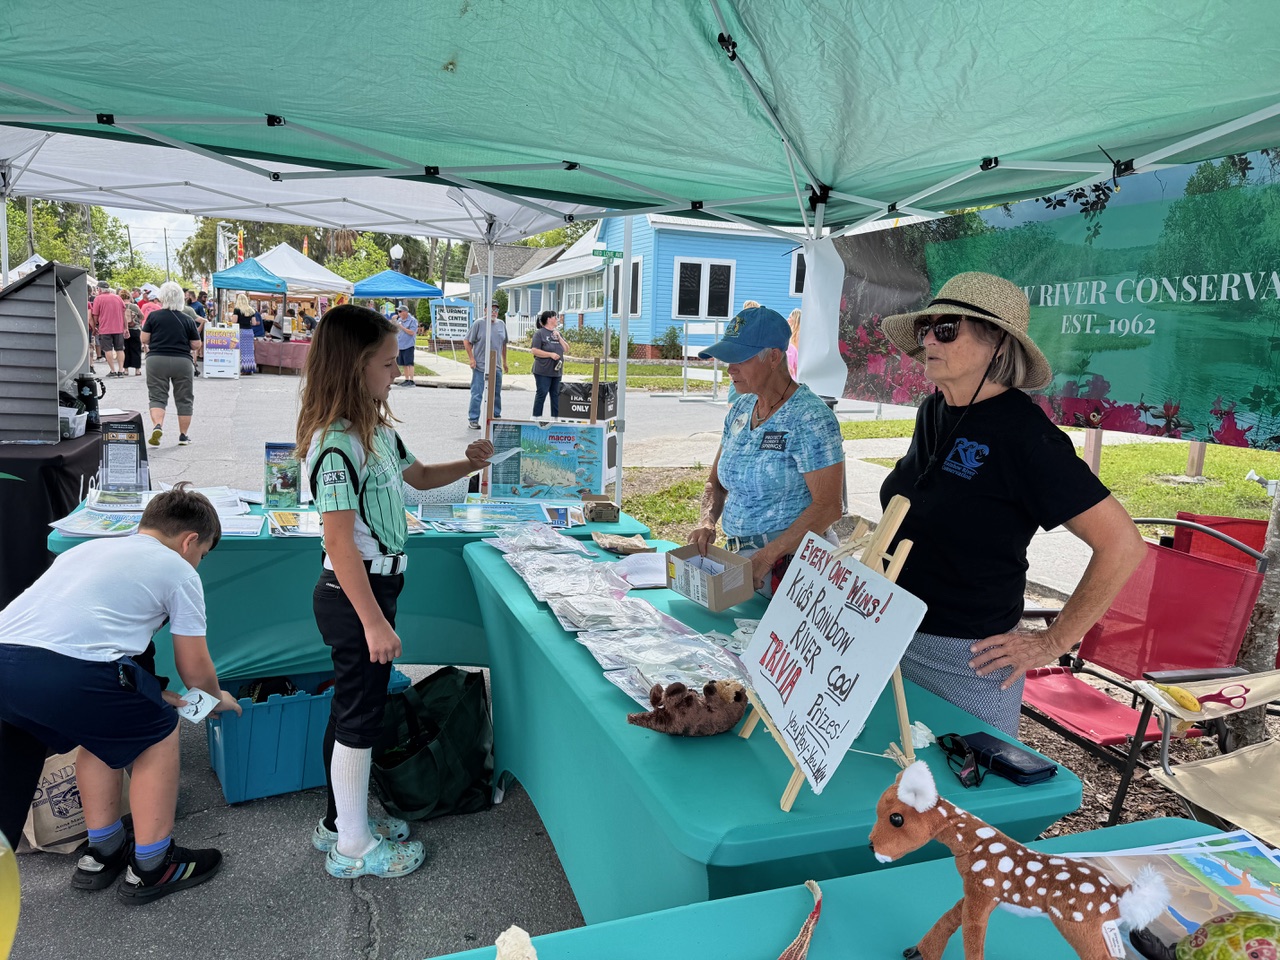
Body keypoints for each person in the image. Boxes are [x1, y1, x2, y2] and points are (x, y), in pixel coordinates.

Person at [878, 272, 1145, 736]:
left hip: (964, 660)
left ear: (998, 344)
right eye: (926, 328)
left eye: (946, 329)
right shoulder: (934, 410)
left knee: (960, 781)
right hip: (890, 632)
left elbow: (1123, 545)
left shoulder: (1028, 438)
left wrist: (1055, 640)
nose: (929, 340)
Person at [293, 304, 493, 880]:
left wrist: (468, 463)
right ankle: (354, 846)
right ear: (353, 367)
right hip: (354, 595)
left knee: (353, 708)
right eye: (386, 363)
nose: (396, 372)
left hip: (376, 588)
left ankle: (339, 821)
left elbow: (420, 478)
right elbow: (339, 542)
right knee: (359, 719)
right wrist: (374, 622)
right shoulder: (336, 445)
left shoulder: (376, 431)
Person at [0, 485, 241, 903]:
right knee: (157, 733)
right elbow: (194, 666)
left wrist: (151, 692)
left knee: (101, 730)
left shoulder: (88, 550)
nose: (198, 563)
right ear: (190, 541)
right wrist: (214, 700)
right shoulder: (179, 570)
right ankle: (153, 865)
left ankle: (103, 852)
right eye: (203, 554)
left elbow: (93, 634)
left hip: (7, 663)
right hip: (72, 672)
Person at [689, 306, 845, 596]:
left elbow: (828, 506)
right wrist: (707, 522)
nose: (730, 368)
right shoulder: (742, 407)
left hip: (791, 567)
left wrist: (766, 557)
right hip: (743, 560)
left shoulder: (810, 417)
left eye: (740, 358)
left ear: (773, 357)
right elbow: (716, 482)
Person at [141, 281, 200, 447]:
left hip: (156, 360)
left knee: (157, 396)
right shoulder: (187, 319)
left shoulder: (154, 316)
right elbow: (196, 345)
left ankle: (157, 426)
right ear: (181, 298)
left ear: (162, 297)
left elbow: (144, 339)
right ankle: (183, 436)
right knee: (184, 399)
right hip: (182, 361)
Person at [464, 301, 508, 429]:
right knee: (477, 394)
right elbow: (467, 341)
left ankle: (496, 417)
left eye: (496, 310)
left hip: (496, 366)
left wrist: (505, 362)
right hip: (480, 366)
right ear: (485, 310)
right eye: (491, 309)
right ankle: (473, 419)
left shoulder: (501, 324)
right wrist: (471, 359)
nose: (494, 312)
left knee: (496, 394)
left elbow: (504, 344)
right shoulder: (479, 323)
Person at [530, 309, 566, 418]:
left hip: (556, 370)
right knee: (542, 393)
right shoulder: (540, 333)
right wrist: (550, 354)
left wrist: (559, 337)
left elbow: (566, 348)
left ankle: (556, 418)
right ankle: (536, 417)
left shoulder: (557, 333)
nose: (557, 319)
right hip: (543, 370)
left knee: (556, 395)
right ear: (549, 319)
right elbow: (534, 350)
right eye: (555, 317)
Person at [89, 280, 128, 378]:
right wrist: (126, 327)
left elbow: (95, 315)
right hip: (118, 328)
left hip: (105, 328)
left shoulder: (98, 299)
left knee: (108, 349)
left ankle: (113, 370)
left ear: (99, 289)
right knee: (120, 349)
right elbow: (124, 314)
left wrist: (95, 327)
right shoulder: (118, 297)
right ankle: (121, 370)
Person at [231, 292, 260, 375]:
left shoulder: (237, 309)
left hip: (241, 331)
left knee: (242, 351)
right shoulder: (251, 310)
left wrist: (230, 319)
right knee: (249, 351)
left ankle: (243, 369)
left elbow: (234, 321)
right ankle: (249, 369)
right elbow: (254, 323)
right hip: (249, 331)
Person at [121, 288, 144, 376]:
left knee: (125, 349)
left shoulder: (120, 306)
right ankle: (137, 370)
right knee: (136, 349)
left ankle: (125, 369)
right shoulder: (134, 306)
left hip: (123, 330)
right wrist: (137, 320)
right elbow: (142, 316)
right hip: (135, 329)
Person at [393, 305, 418, 386]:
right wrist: (394, 321)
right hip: (401, 345)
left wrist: (402, 327)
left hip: (409, 345)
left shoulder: (412, 320)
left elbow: (412, 332)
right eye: (398, 311)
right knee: (404, 363)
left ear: (405, 312)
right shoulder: (399, 320)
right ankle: (406, 379)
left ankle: (411, 380)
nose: (399, 313)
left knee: (409, 363)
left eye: (400, 311)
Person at [786, 308, 801, 379]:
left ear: (795, 319)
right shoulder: (791, 334)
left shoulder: (798, 335)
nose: (787, 319)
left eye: (790, 317)